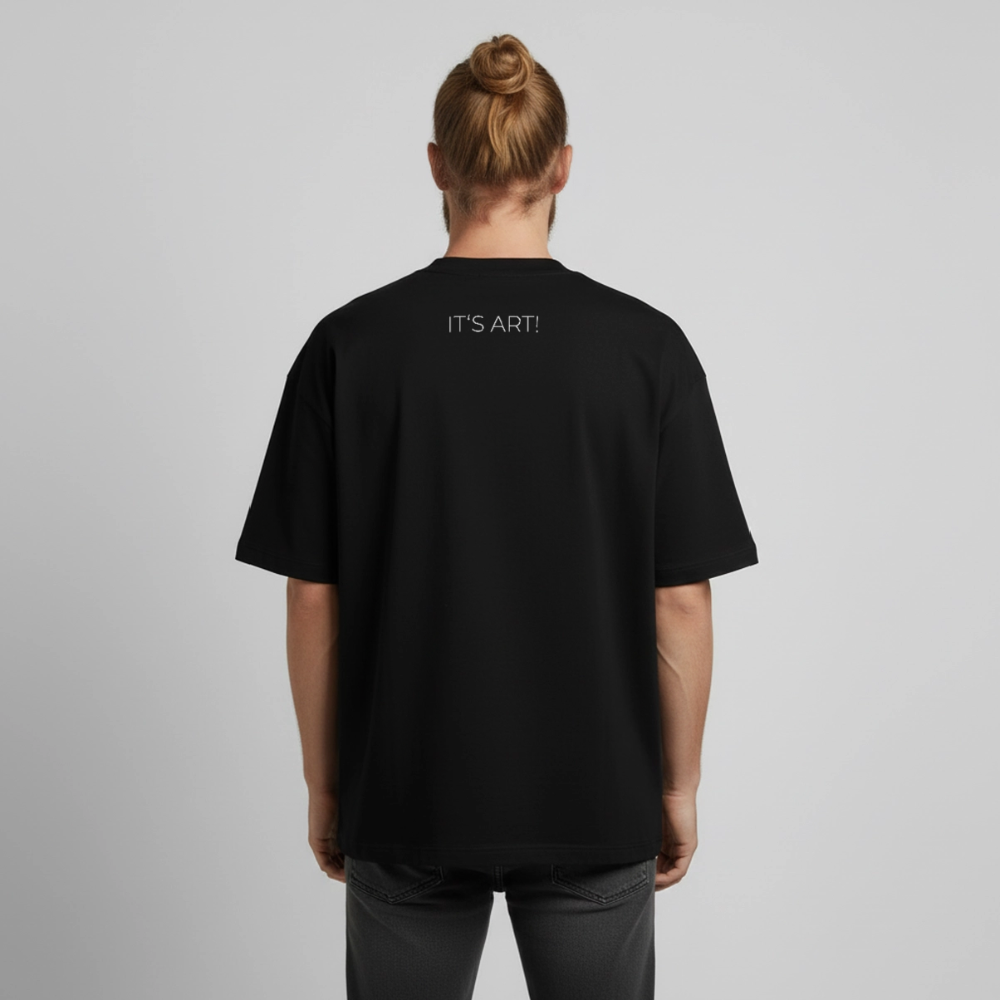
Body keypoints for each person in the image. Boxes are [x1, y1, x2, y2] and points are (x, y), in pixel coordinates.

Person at [235, 32, 758, 1000]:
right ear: (562, 166)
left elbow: (314, 597)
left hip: (407, 791)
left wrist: (326, 784)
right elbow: (680, 600)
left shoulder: (351, 346)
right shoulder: (645, 349)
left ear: (439, 164)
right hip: (594, 794)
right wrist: (676, 787)